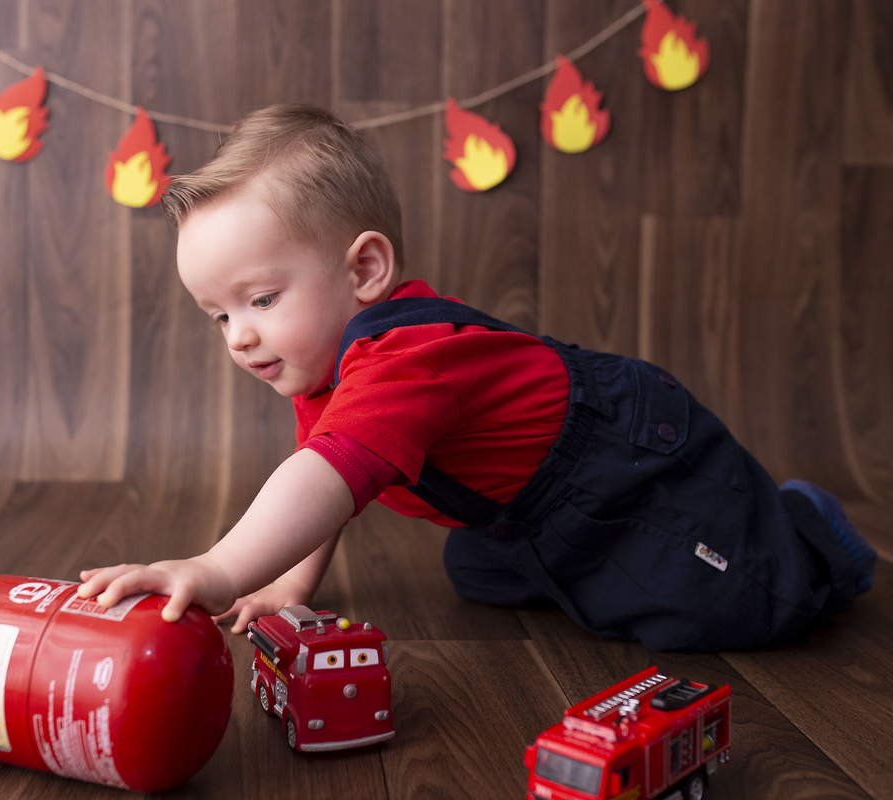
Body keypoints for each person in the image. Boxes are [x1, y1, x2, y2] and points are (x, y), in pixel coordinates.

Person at [77, 104, 876, 651]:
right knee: (474, 570)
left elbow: (322, 480)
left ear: (365, 269)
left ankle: (808, 533)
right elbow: (323, 493)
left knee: (745, 604)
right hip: (525, 509)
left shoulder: (404, 358)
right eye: (218, 316)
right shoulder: (323, 375)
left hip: (622, 466)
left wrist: (217, 569)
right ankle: (594, 567)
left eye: (260, 299)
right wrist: (290, 586)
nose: (240, 335)